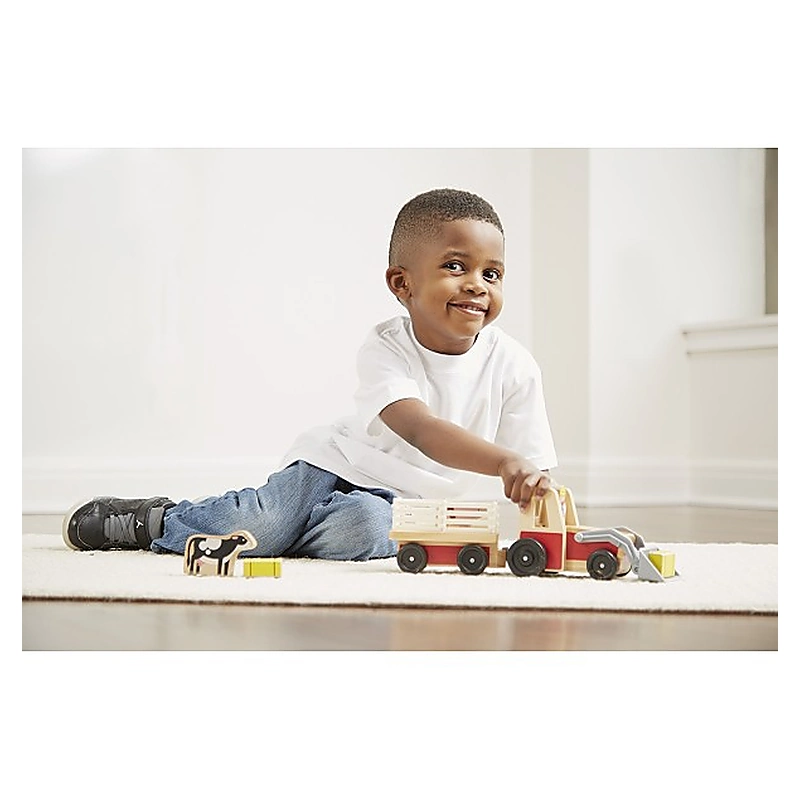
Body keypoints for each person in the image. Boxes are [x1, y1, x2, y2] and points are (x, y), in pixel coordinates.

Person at [63, 188, 558, 561]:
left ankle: (281, 539)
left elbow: (533, 469)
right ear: (402, 284)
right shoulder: (386, 346)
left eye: (492, 274)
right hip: (333, 467)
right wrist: (503, 463)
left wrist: (535, 496)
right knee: (253, 525)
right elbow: (419, 428)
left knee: (364, 530)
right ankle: (158, 520)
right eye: (455, 266)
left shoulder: (514, 366)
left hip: (404, 504)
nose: (477, 285)